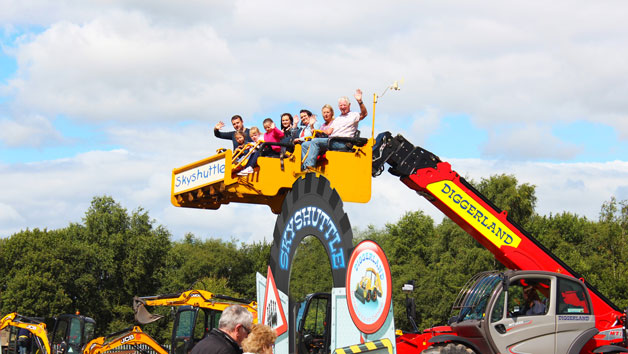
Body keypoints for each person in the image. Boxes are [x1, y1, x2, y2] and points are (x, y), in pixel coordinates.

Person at [300, 89, 367, 170]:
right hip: (332, 141)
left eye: (344, 105)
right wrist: (315, 129)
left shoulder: (353, 115)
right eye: (341, 105)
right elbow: (328, 131)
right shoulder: (338, 119)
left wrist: (360, 101)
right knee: (304, 145)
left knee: (315, 142)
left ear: (349, 105)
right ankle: (304, 168)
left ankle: (310, 167)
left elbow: (364, 114)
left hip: (343, 143)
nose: (342, 107)